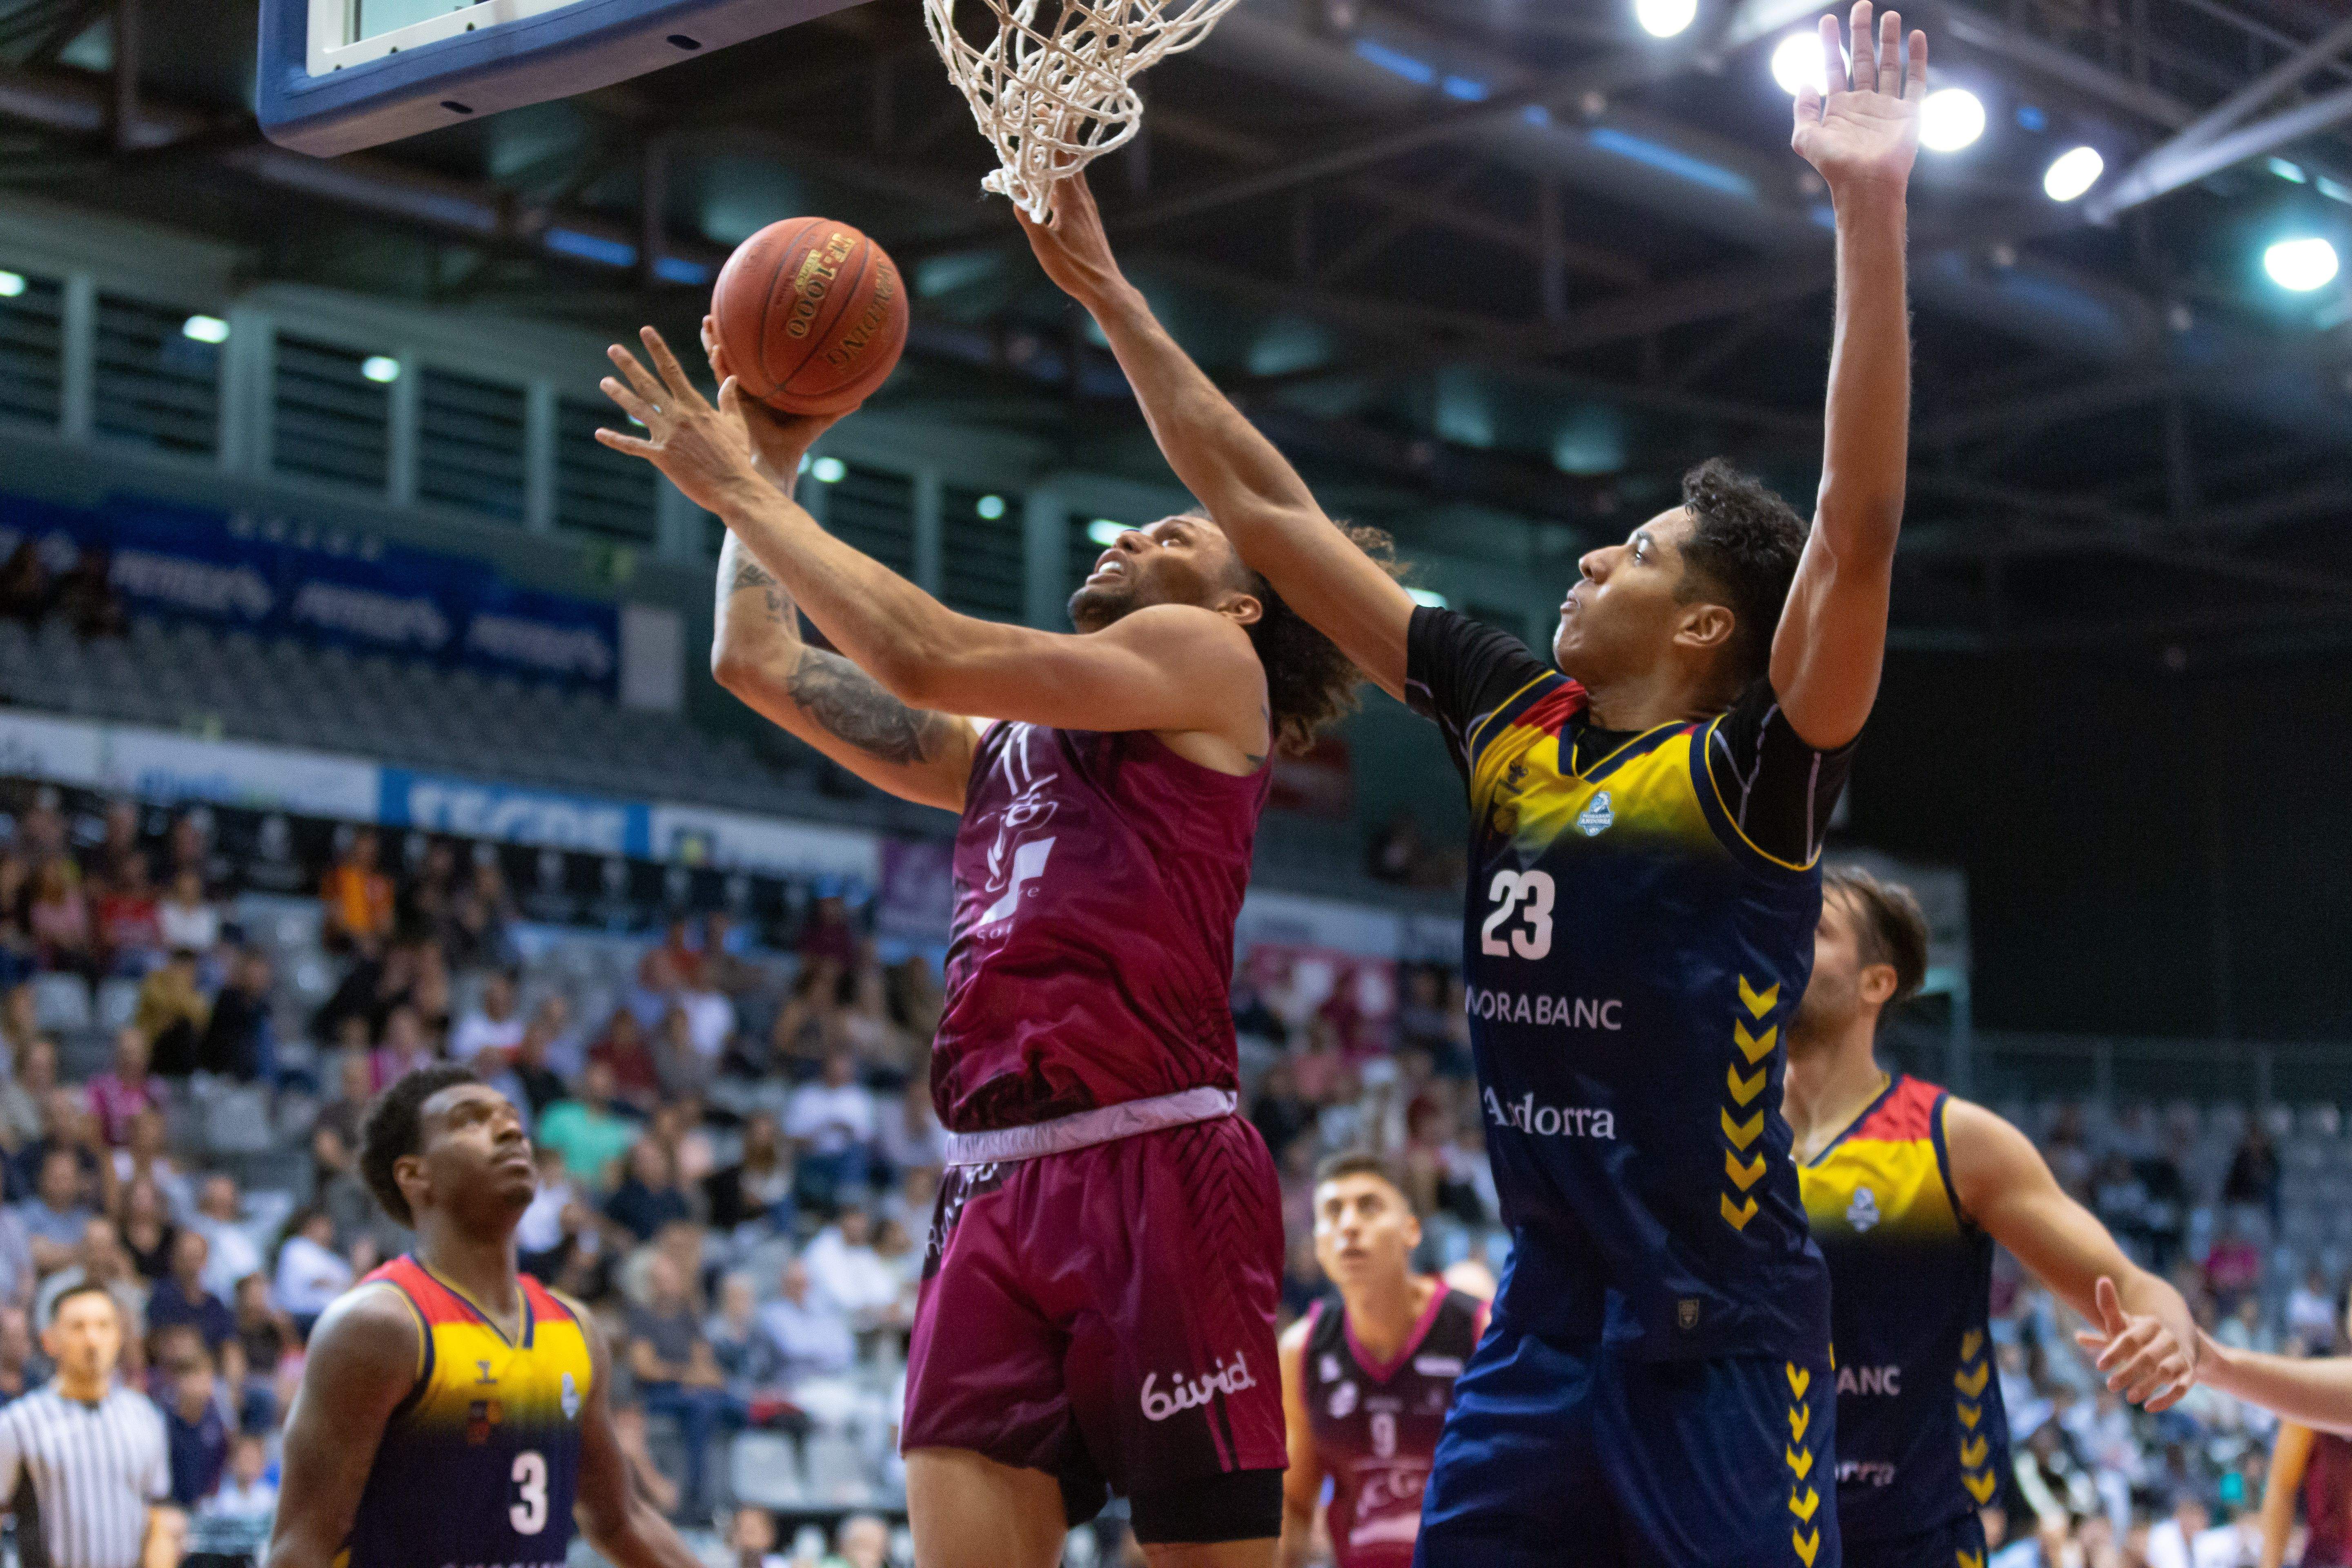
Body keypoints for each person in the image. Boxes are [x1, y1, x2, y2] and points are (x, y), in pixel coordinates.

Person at [1016, 8, 1931, 1565]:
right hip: (1544, 1321)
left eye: (1634, 552)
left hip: (1715, 1332)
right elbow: (1261, 502)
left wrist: (1865, 207)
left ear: (1709, 624)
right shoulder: (1511, 709)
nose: (1589, 554)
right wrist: (1102, 283)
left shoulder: (1751, 775)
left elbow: (1852, 526)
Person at [596, 292, 1388, 1563]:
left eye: (1175, 530)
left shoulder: (1209, 664)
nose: (1130, 529)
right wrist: (778, 453)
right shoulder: (1004, 750)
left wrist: (746, 494)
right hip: (990, 1178)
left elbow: (924, 651)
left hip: (1157, 1165)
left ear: (1245, 606)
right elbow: (760, 662)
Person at [1782, 868, 2196, 1568]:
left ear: (1875, 984)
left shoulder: (1955, 1142)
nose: (1782, 936)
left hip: (1913, 1543)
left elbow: (2135, 1289)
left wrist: (2168, 1336)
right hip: (1745, 1532)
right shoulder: (1720, 1135)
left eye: (1815, 930)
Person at [262, 1064, 706, 1568]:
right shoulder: (381, 1326)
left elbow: (621, 1520)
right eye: (471, 1121)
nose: (511, 1130)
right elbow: (300, 1549)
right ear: (415, 1175)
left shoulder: (574, 1330)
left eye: (512, 1118)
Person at [1277, 1154, 1486, 1568]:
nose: (1349, 1225)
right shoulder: (1301, 1350)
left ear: (1412, 1231)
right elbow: (1296, 1505)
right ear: (1318, 1244)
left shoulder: (1478, 1329)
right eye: (1333, 1212)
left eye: (1369, 1206)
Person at [0, 1283, 182, 1568]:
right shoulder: (19, 1423)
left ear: (119, 1337)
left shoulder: (145, 1415)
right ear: (49, 1340)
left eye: (104, 1326)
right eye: (78, 1327)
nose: (92, 1339)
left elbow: (157, 1517)